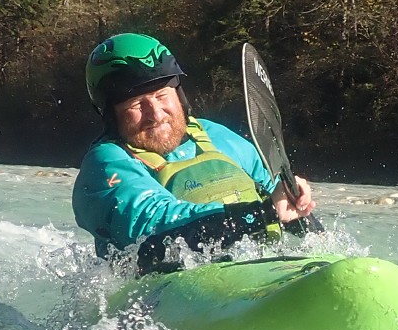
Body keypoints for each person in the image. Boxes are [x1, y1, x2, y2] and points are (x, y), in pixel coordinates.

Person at [73, 32, 316, 268]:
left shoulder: (217, 136)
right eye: (137, 104)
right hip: (158, 299)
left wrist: (293, 202)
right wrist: (263, 214)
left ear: (179, 94)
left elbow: (271, 193)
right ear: (111, 116)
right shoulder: (106, 164)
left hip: (257, 275)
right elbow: (156, 231)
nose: (155, 114)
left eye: (161, 95)